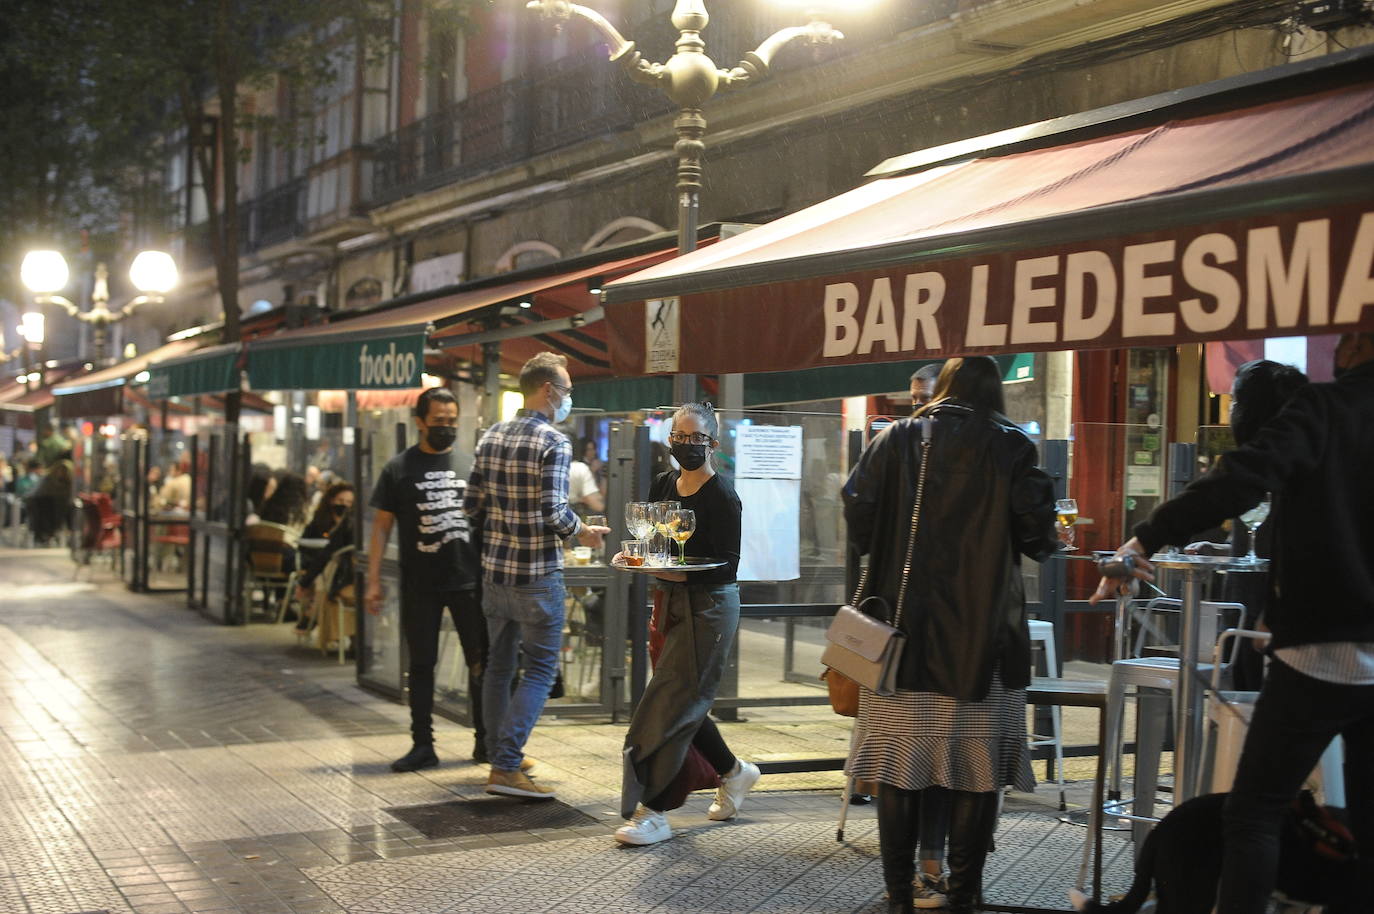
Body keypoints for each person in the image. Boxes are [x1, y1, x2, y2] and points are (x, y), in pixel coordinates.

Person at [1092, 331, 1374, 914]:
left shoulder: (1324, 409)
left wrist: (1148, 534)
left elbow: (1240, 477)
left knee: (1255, 813)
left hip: (1318, 652)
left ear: (1356, 347)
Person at [843, 356, 1061, 914]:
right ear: (994, 393)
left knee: (897, 765)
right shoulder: (1012, 444)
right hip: (983, 639)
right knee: (976, 770)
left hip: (899, 635)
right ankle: (963, 895)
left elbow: (857, 508)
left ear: (941, 387)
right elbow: (1038, 534)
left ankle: (898, 895)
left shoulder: (895, 439)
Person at [613, 402, 759, 846]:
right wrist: (639, 560)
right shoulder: (663, 484)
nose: (687, 444)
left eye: (697, 438)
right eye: (680, 436)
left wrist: (669, 571)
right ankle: (735, 772)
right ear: (670, 438)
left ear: (712, 443)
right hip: (670, 601)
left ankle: (653, 810)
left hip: (709, 607)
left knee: (670, 702)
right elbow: (656, 545)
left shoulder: (723, 496)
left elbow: (726, 567)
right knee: (684, 700)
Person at [464, 352, 608, 798]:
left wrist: (504, 522)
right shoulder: (554, 441)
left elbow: (471, 506)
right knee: (541, 669)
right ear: (548, 390)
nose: (567, 398)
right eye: (566, 390)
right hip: (537, 574)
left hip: (495, 574)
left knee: (498, 667)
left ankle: (499, 752)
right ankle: (506, 767)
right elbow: (553, 512)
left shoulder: (490, 436)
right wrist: (584, 532)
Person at [366, 387, 488, 772]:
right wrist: (373, 580)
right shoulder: (398, 469)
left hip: (470, 580)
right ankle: (423, 744)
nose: (446, 428)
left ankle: (485, 741)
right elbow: (381, 528)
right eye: (438, 421)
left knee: (480, 662)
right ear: (420, 422)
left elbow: (486, 523)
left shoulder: (470, 466)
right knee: (421, 664)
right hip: (419, 583)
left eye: (451, 421)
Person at [1184, 359, 1308, 691]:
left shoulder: (1290, 472)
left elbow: (1304, 550)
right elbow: (1262, 543)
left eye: (1237, 401)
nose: (1231, 410)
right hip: (1243, 615)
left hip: (1270, 624)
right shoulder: (1260, 465)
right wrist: (1222, 549)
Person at [296, 482, 355, 637]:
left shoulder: (351, 525)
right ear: (331, 500)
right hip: (325, 567)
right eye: (341, 501)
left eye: (349, 502)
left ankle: (311, 614)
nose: (344, 506)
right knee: (325, 570)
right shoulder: (319, 522)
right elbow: (308, 547)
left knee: (325, 572)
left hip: (345, 576)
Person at [568, 436, 605, 516]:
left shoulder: (597, 465)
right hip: (581, 509)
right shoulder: (580, 466)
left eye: (593, 449)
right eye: (589, 449)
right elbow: (593, 501)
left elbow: (602, 492)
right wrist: (592, 470)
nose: (592, 452)